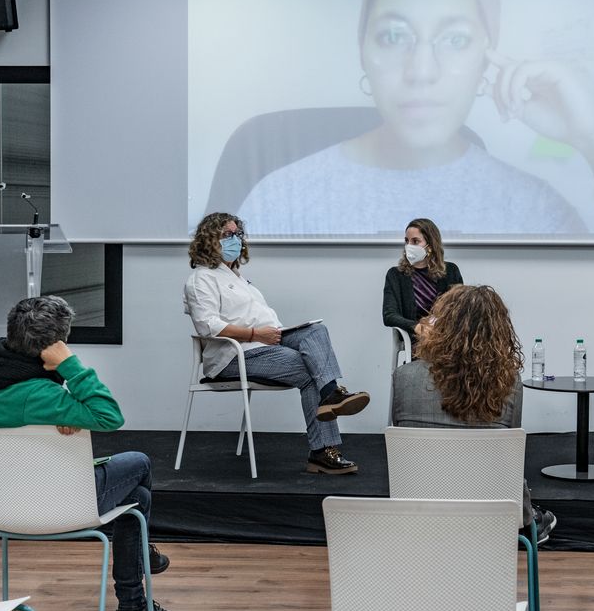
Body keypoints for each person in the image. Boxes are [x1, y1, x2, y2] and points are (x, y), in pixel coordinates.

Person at [237, 0, 594, 235]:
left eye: (455, 39)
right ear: (362, 50)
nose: (422, 70)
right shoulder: (280, 201)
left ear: (487, 56)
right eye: (393, 36)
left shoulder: (535, 212)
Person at [0, 296, 191, 611]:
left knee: (137, 501)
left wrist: (64, 409)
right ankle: (134, 600)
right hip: (52, 505)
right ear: (55, 346)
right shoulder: (45, 396)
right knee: (140, 464)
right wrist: (70, 366)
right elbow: (110, 416)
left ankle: (137, 601)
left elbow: (22, 410)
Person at [183, 212, 370, 474]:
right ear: (209, 239)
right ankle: (322, 450)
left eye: (237, 234)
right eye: (227, 234)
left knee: (316, 331)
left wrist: (268, 335)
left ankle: (331, 394)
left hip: (267, 343)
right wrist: (255, 335)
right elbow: (208, 325)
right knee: (310, 370)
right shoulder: (201, 279)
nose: (235, 239)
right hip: (234, 356)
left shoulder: (238, 278)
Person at [392, 284, 556, 543]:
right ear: (498, 332)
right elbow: (510, 457)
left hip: (419, 507)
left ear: (440, 326)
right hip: (489, 511)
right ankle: (531, 520)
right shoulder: (509, 383)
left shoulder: (404, 377)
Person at [383, 218, 463, 344]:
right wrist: (417, 327)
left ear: (430, 245)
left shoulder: (451, 271)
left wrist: (439, 328)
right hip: (416, 336)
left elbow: (460, 308)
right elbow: (389, 315)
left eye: (415, 241)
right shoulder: (395, 274)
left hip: (445, 335)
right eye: (407, 241)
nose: (409, 246)